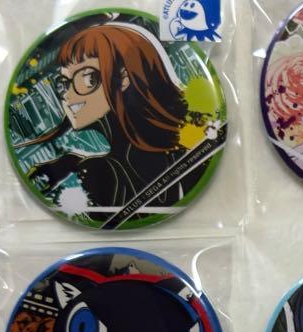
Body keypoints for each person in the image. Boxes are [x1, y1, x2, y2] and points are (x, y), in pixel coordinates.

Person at [19, 21, 194, 211]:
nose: (68, 95)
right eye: (63, 83)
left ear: (124, 78)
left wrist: (76, 165)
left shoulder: (98, 170)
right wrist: (72, 161)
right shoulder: (179, 149)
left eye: (88, 78)